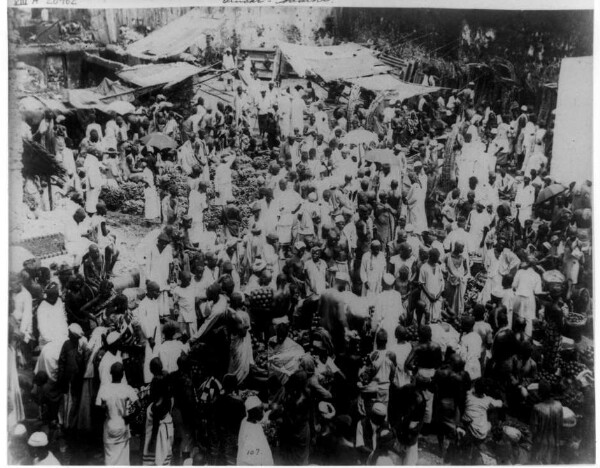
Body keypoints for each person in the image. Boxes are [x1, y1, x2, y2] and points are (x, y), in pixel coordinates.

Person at [95, 362, 138, 465]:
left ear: (110, 373)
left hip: (109, 425)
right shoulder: (127, 388)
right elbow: (139, 406)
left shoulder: (104, 388)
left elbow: (97, 409)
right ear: (123, 374)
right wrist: (129, 418)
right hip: (123, 425)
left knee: (110, 458)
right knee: (123, 458)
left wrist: (105, 411)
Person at [530, 380, 563, 464]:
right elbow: (560, 424)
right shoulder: (559, 406)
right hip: (555, 443)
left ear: (540, 393)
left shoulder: (537, 408)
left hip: (541, 443)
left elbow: (533, 430)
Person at [237, 395, 274, 465]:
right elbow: (250, 461)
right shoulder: (251, 434)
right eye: (261, 410)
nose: (263, 412)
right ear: (253, 412)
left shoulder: (245, 420)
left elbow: (259, 420)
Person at [418, 248, 445, 323]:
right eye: (436, 257)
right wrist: (430, 296)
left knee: (436, 318)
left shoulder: (438, 267)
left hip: (437, 297)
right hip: (427, 296)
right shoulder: (424, 267)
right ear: (430, 256)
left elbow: (442, 282)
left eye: (438, 257)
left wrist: (439, 294)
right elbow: (421, 284)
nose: (437, 259)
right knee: (427, 317)